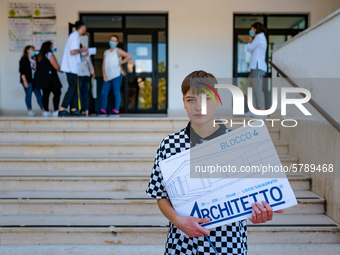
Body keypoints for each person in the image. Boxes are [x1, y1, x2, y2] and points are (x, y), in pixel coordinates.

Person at [146, 70, 284, 255]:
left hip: (229, 244)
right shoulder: (170, 144)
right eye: (191, 100)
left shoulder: (240, 144)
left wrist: (258, 211)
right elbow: (161, 195)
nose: (198, 106)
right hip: (182, 244)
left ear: (218, 100)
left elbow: (254, 196)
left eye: (206, 98)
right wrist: (178, 221)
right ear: (184, 103)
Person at [59, 20, 88, 117]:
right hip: (71, 68)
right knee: (72, 87)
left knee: (74, 88)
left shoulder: (74, 36)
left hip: (72, 68)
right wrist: (82, 50)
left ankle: (74, 109)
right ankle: (62, 108)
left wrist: (82, 53)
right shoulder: (75, 36)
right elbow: (73, 52)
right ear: (82, 27)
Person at [99, 35, 132, 117]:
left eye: (114, 41)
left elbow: (129, 56)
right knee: (103, 93)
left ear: (117, 43)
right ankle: (103, 110)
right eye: (111, 40)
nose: (112, 42)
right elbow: (104, 63)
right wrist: (104, 74)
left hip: (116, 75)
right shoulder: (106, 52)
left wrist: (121, 62)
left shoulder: (118, 51)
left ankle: (116, 110)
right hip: (108, 76)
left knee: (116, 92)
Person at [245, 22, 268, 117]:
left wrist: (250, 39)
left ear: (255, 29)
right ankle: (253, 109)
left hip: (258, 67)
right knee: (249, 88)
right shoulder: (259, 37)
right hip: (255, 67)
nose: (251, 31)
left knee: (257, 88)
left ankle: (262, 111)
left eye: (252, 29)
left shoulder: (259, 37)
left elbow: (249, 48)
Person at [35, 41, 62, 117]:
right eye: (51, 46)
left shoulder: (38, 56)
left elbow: (36, 67)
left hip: (42, 78)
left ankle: (46, 111)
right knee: (57, 92)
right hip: (51, 77)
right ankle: (56, 110)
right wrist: (62, 70)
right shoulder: (50, 54)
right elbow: (56, 66)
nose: (52, 48)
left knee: (45, 94)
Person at [19, 45, 44, 116]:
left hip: (35, 80)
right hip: (28, 80)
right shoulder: (24, 59)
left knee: (39, 95)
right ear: (27, 50)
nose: (33, 51)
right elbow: (22, 71)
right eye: (31, 49)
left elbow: (37, 69)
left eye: (34, 49)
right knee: (28, 94)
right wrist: (25, 81)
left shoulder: (34, 59)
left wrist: (36, 60)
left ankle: (43, 109)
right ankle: (30, 110)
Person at [78, 43, 95, 117]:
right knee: (81, 93)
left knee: (83, 93)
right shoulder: (78, 54)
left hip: (84, 75)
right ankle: (82, 109)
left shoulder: (85, 54)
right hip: (82, 75)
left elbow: (89, 64)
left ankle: (84, 109)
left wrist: (92, 72)